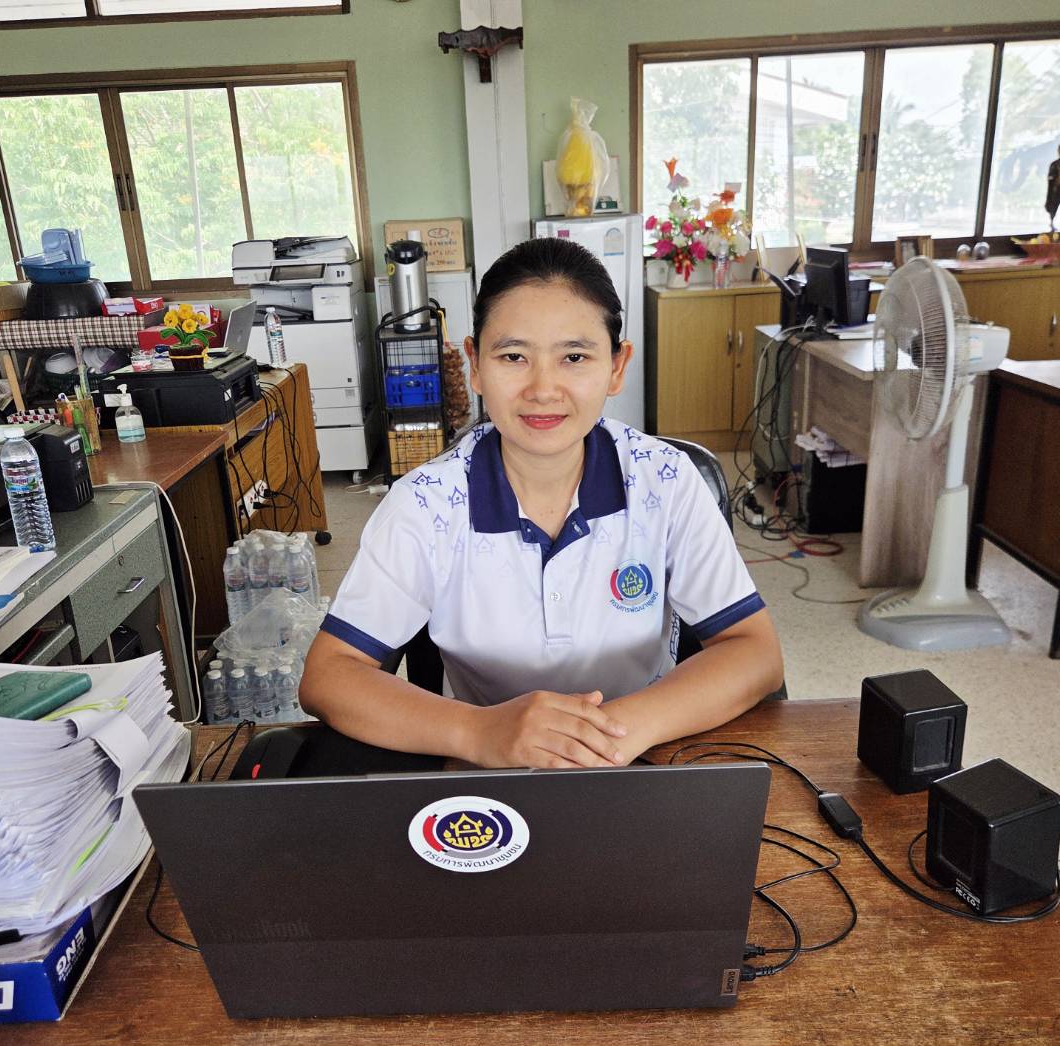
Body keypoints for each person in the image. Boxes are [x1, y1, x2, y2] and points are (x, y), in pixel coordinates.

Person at [300, 237, 783, 768]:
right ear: (475, 365)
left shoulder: (665, 482)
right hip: (484, 772)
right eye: (513, 356)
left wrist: (611, 734)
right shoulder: (424, 504)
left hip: (641, 757)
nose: (543, 389)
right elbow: (330, 676)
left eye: (574, 357)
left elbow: (754, 651)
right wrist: (479, 732)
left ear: (616, 366)